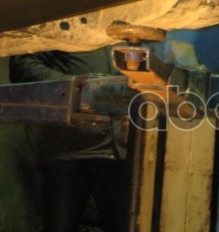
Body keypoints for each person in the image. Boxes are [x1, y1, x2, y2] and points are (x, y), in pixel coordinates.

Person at [10, 49, 130, 232]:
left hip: (120, 151)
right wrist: (74, 87)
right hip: (69, 150)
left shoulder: (130, 31)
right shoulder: (62, 30)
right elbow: (23, 65)